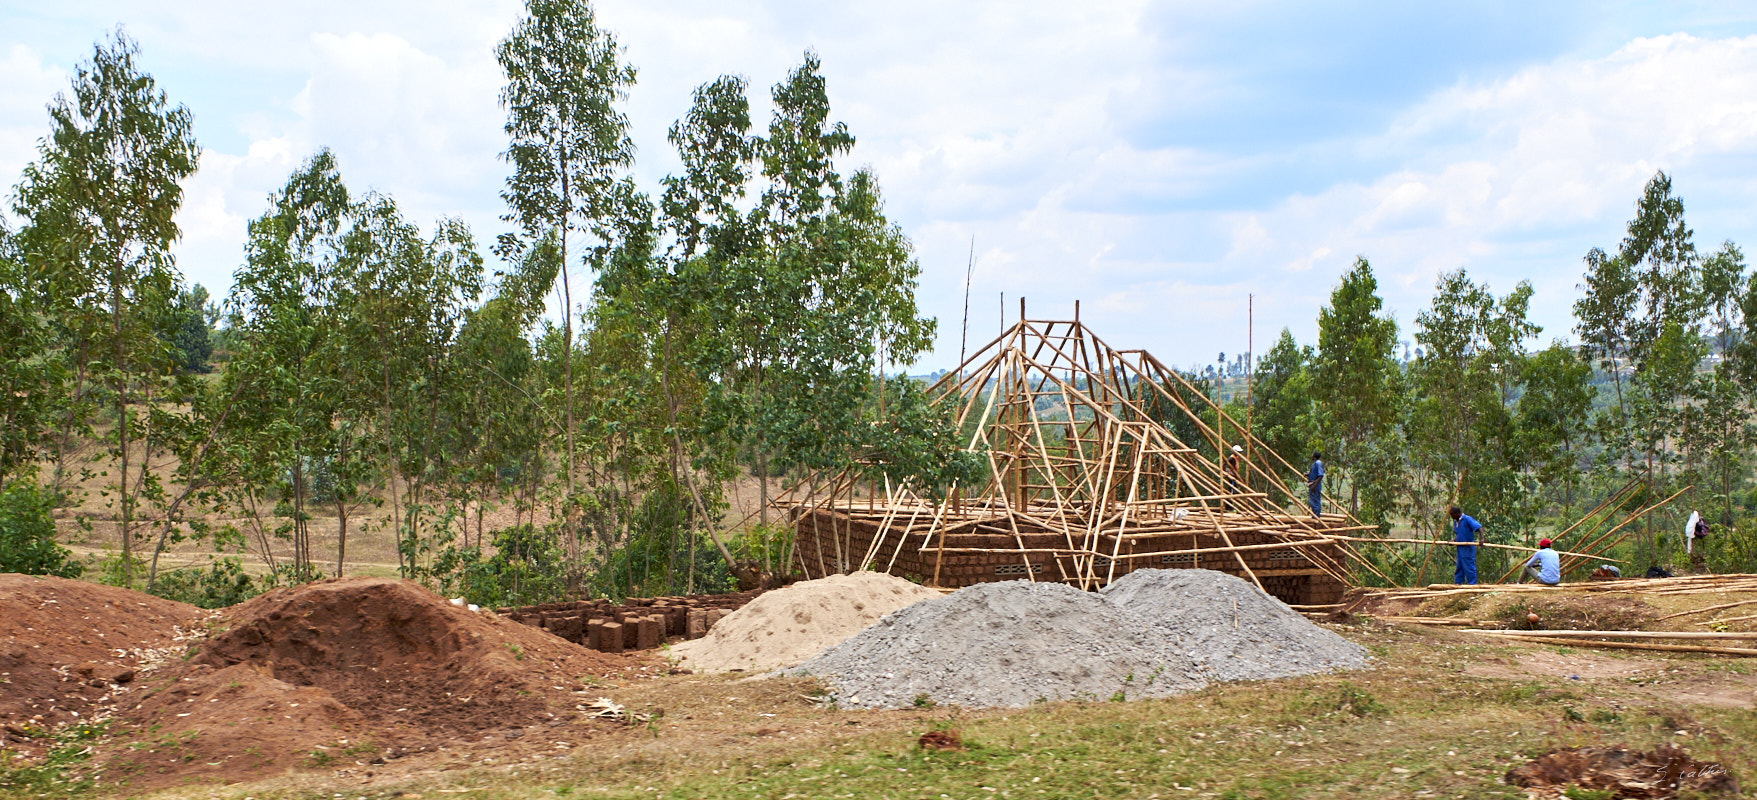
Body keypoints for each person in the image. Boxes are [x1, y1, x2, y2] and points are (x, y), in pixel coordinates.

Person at [1448, 506, 1482, 585]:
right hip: (1460, 546)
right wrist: (1454, 541)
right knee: (1459, 565)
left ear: (1457, 513)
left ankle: (1472, 584)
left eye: (1452, 515)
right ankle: (1458, 583)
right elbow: (1460, 534)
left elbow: (1479, 527)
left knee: (1469, 565)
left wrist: (1482, 539)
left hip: (1468, 546)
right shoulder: (1455, 522)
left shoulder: (1467, 519)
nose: (1451, 517)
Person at [1224, 445, 1243, 511]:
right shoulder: (1232, 458)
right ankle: (1229, 507)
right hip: (1231, 476)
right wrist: (1225, 472)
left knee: (1233, 490)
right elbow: (1224, 464)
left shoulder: (1236, 457)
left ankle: (1230, 506)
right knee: (1231, 491)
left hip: (1234, 476)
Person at [1307, 452, 1324, 517]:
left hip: (1315, 485)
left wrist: (1314, 485)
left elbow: (1320, 475)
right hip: (1312, 484)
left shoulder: (1318, 463)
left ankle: (1316, 516)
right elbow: (1315, 473)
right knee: (1312, 501)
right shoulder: (1315, 464)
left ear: (1314, 456)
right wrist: (1308, 474)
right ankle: (1314, 515)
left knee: (1315, 500)